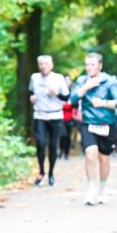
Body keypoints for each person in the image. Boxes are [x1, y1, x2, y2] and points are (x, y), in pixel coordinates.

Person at [69, 52, 117, 206]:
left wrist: (104, 103)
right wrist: (86, 87)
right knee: (90, 153)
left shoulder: (110, 81)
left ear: (100, 66)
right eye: (87, 64)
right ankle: (91, 188)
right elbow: (72, 100)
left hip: (107, 124)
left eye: (92, 64)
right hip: (88, 123)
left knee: (104, 159)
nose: (89, 67)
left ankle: (102, 189)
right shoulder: (82, 80)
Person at [28, 55, 69, 185]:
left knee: (52, 145)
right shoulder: (34, 78)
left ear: (51, 65)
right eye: (40, 64)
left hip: (55, 115)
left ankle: (51, 173)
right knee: (40, 143)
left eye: (45, 63)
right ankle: (41, 172)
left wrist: (57, 93)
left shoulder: (59, 78)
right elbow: (30, 92)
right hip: (40, 115)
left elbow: (66, 97)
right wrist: (32, 98)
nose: (43, 66)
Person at [60, 75, 74, 159]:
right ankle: (61, 150)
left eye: (68, 80)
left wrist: (69, 104)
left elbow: (75, 104)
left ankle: (66, 153)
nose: (67, 82)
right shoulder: (60, 92)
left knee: (68, 136)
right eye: (65, 80)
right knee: (63, 135)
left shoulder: (73, 92)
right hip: (61, 117)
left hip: (70, 117)